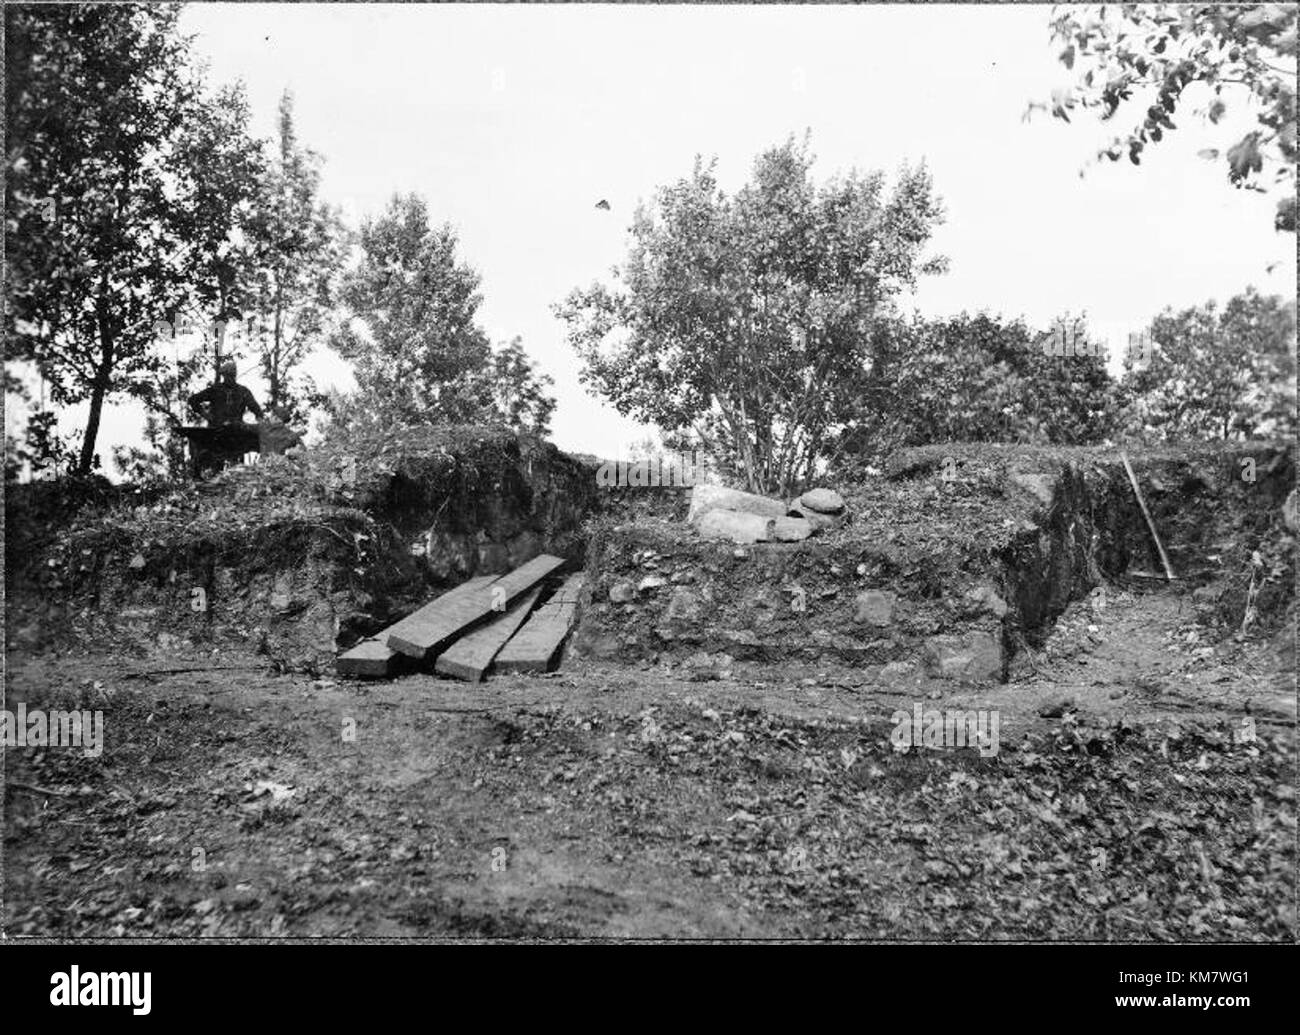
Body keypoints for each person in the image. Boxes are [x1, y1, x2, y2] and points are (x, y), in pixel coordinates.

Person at [188, 360, 263, 426]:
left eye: (232, 375)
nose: (230, 377)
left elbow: (256, 408)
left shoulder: (243, 391)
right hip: (216, 429)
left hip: (236, 430)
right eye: (228, 375)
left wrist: (260, 421)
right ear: (224, 376)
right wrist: (205, 415)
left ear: (235, 375)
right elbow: (193, 400)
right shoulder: (216, 390)